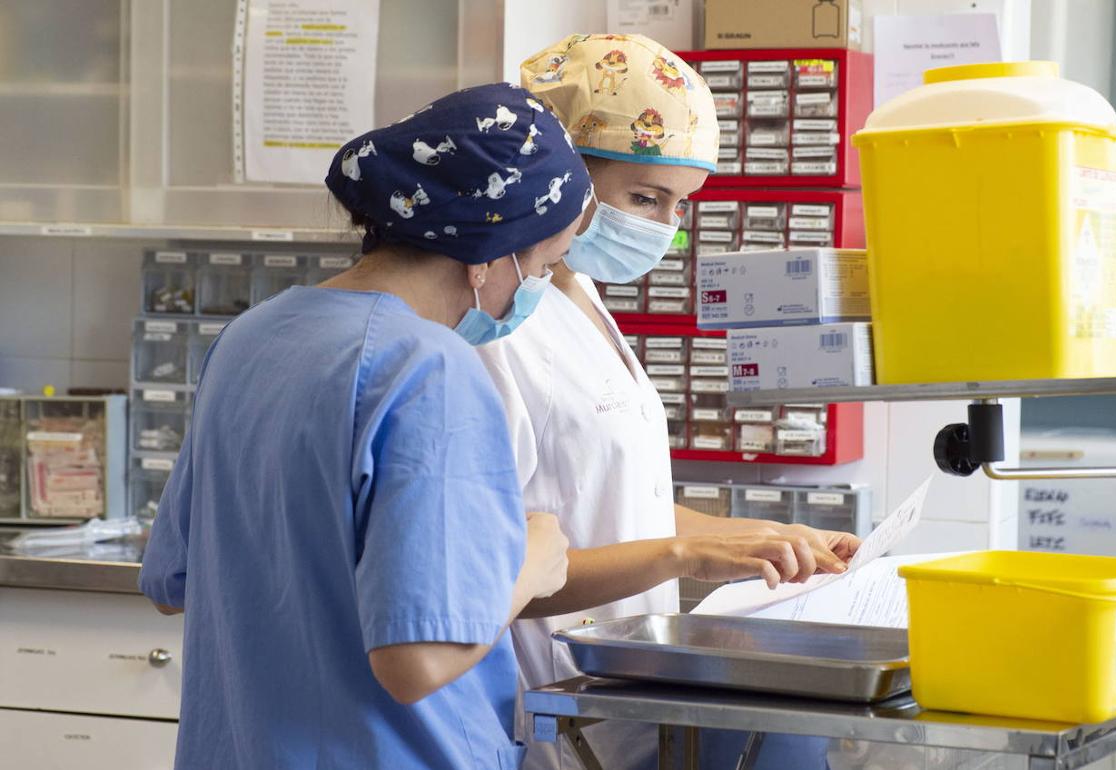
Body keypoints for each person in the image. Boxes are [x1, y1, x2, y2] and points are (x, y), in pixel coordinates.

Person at [139, 83, 593, 770]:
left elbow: (174, 582)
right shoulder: (428, 369)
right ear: (488, 253)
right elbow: (418, 659)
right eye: (543, 265)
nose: (538, 288)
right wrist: (530, 566)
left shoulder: (251, 337)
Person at [478, 35, 862, 770]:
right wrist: (683, 552)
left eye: (679, 205)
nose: (662, 228)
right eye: (644, 198)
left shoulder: (579, 291)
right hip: (553, 712)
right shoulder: (497, 327)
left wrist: (743, 540)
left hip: (628, 697)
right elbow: (496, 574)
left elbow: (605, 501)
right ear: (565, 176)